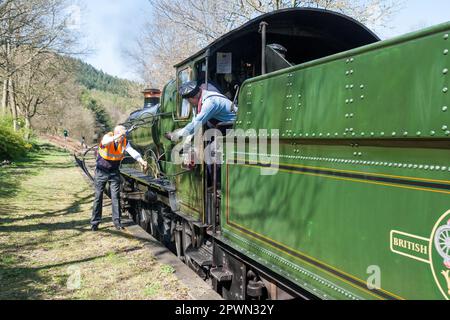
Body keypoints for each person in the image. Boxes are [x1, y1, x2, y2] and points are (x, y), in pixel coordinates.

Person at [91, 125, 148, 231]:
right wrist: (117, 136)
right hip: (101, 171)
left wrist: (141, 160)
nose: (123, 138)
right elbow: (104, 142)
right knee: (98, 196)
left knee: (115, 197)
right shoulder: (108, 137)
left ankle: (117, 222)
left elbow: (132, 151)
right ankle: (95, 223)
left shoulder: (124, 142)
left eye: (124, 135)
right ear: (116, 133)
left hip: (114, 171)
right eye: (122, 135)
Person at [165, 81, 237, 141]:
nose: (190, 103)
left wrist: (177, 135)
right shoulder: (202, 99)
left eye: (189, 101)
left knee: (211, 151)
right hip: (226, 127)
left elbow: (197, 122)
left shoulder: (210, 102)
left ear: (194, 97)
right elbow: (195, 121)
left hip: (235, 127)